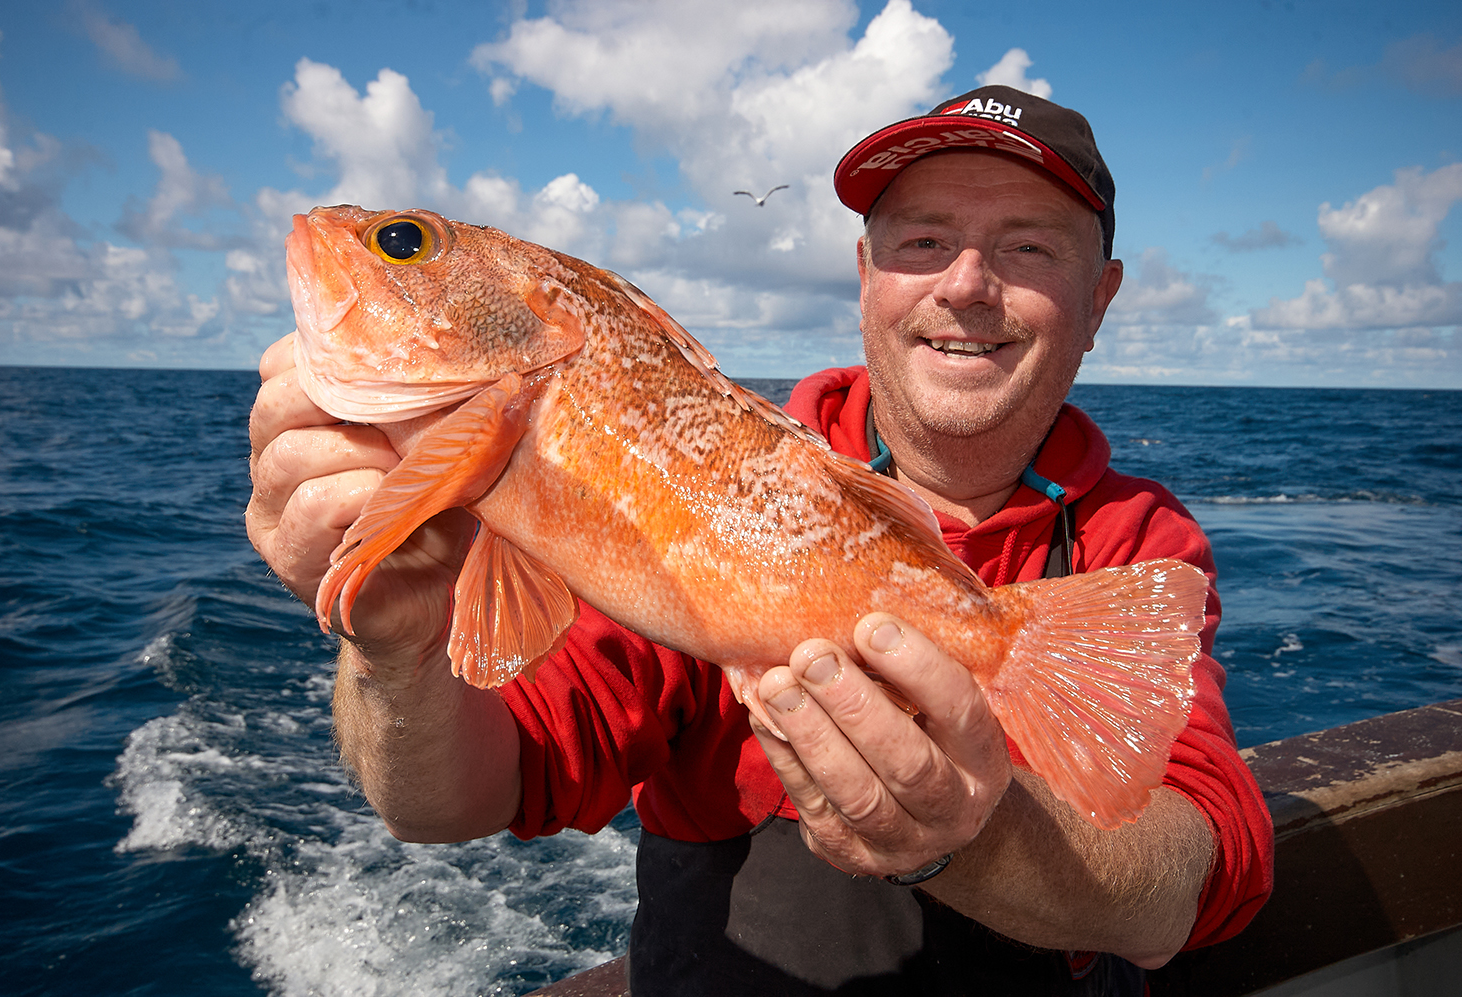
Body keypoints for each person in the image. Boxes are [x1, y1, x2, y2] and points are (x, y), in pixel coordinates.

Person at [246, 85, 1273, 995]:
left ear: (1100, 300)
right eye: (921, 240)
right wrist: (397, 647)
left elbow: (1195, 882)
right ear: (866, 274)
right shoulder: (686, 479)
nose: (965, 284)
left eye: (1029, 246)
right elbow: (458, 800)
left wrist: (966, 837)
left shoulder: (1137, 538)